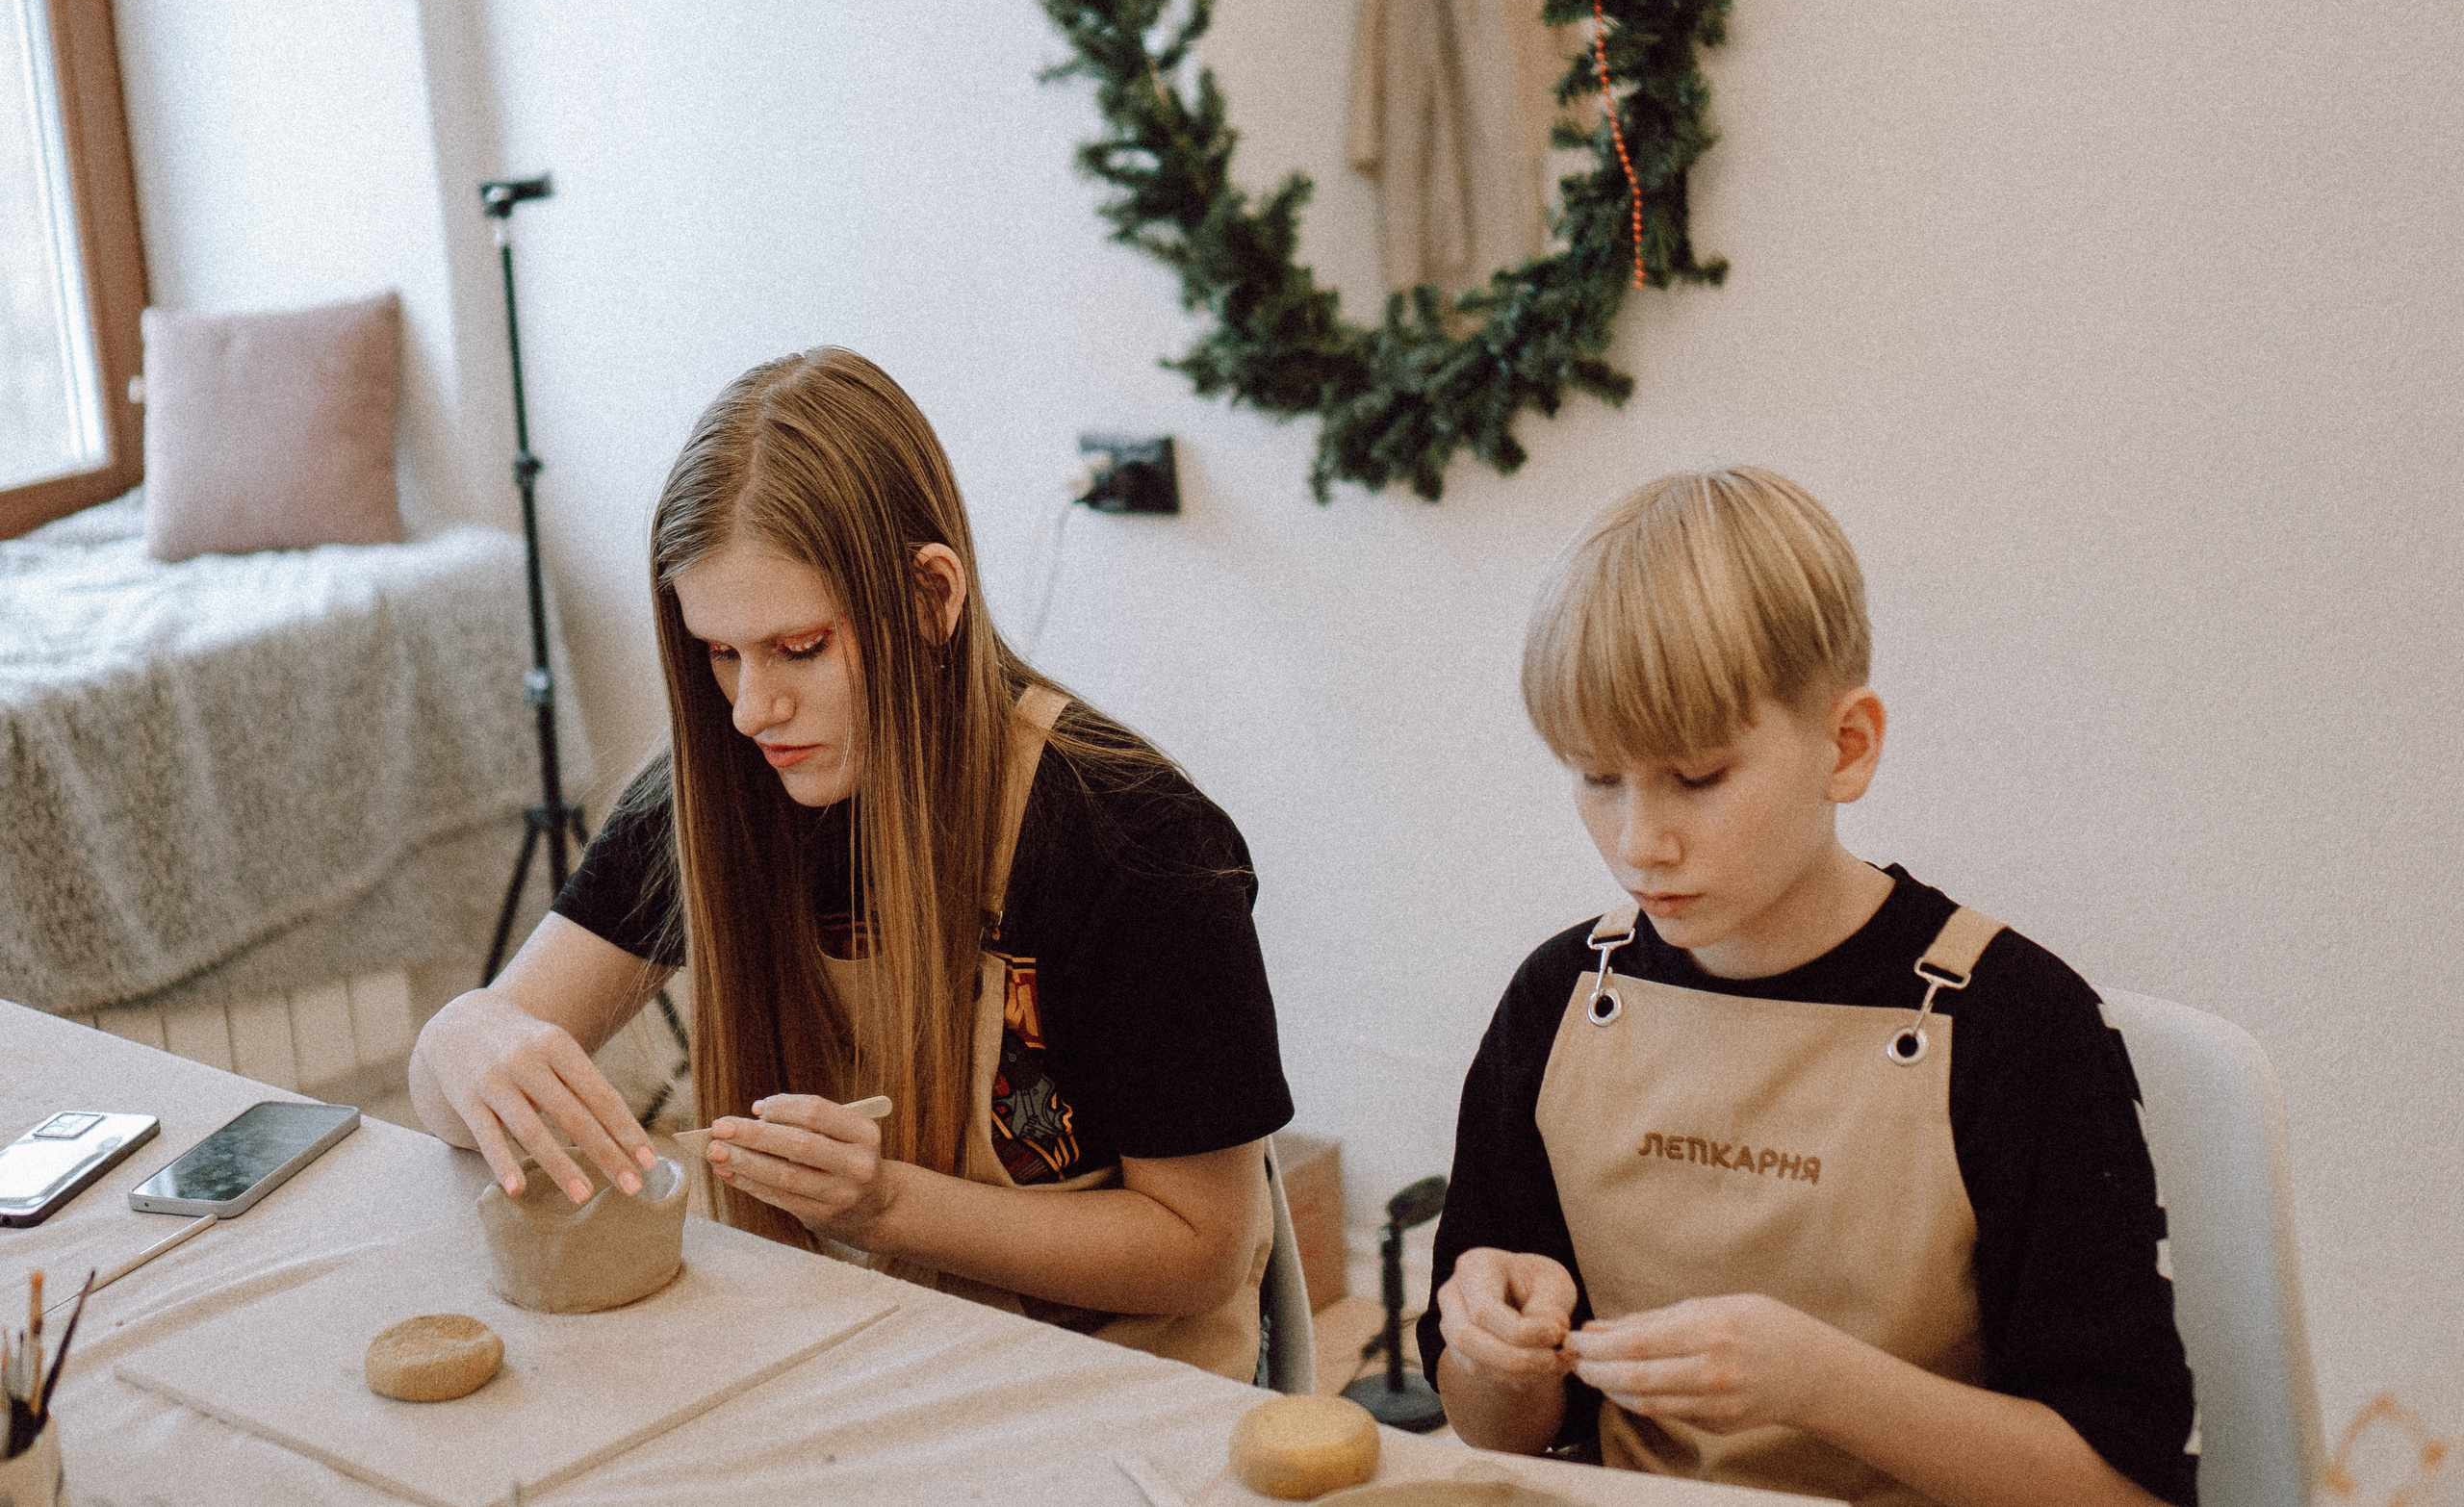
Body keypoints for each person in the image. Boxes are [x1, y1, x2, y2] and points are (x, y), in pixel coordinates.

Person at [409, 347, 1292, 1378]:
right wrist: (469, 1034)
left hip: (1110, 1389)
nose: (751, 711)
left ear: (929, 596)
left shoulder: (1135, 844)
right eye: (720, 654)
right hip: (853, 1358)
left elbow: (1201, 1251)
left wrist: (890, 1205)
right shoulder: (713, 793)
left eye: (799, 648)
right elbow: (448, 1095)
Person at [1421, 468, 2198, 1505]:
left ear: (1846, 745)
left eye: (1698, 777)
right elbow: (1501, 1434)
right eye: (1596, 777)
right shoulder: (1558, 997)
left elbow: (2120, 1487)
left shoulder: (2016, 1026)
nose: (1639, 842)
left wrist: (1818, 1381)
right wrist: (1487, 1352)